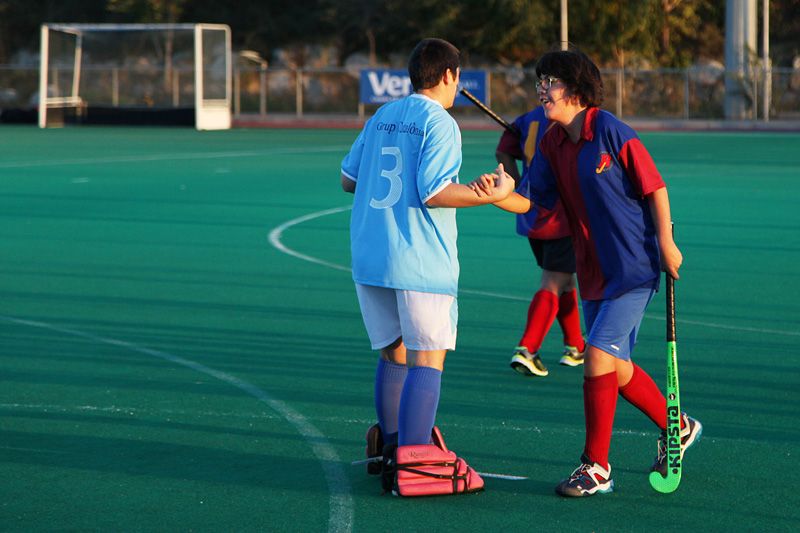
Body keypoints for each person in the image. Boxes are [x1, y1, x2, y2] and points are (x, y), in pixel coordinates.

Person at [470, 49, 702, 497]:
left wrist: (667, 244)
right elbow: (534, 202)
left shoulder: (611, 131)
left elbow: (654, 187)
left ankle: (596, 467)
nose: (541, 90)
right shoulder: (553, 145)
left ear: (575, 90)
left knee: (596, 354)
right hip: (593, 270)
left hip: (634, 267)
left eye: (549, 82)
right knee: (614, 368)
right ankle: (681, 425)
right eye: (539, 82)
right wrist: (501, 195)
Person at [340, 37, 514, 496]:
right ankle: (414, 466)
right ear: (450, 76)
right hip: (419, 258)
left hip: (370, 255)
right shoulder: (441, 122)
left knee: (391, 352)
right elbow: (435, 191)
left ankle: (390, 449)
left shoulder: (382, 115)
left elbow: (347, 179)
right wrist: (491, 194)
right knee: (426, 359)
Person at [495, 105, 586, 377]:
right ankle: (528, 349)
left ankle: (576, 347)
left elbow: (503, 151)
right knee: (554, 281)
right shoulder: (570, 118)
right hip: (561, 216)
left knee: (564, 279)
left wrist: (521, 184)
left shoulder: (527, 117)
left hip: (532, 214)